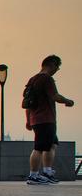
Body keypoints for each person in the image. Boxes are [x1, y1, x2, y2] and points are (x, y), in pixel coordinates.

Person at [24, 55, 74, 185]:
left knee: (51, 144)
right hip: (45, 119)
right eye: (57, 67)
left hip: (37, 119)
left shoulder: (32, 80)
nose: (57, 70)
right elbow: (55, 96)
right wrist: (68, 101)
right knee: (39, 147)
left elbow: (27, 103)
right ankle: (33, 175)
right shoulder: (47, 79)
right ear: (51, 64)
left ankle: (47, 172)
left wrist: (28, 120)